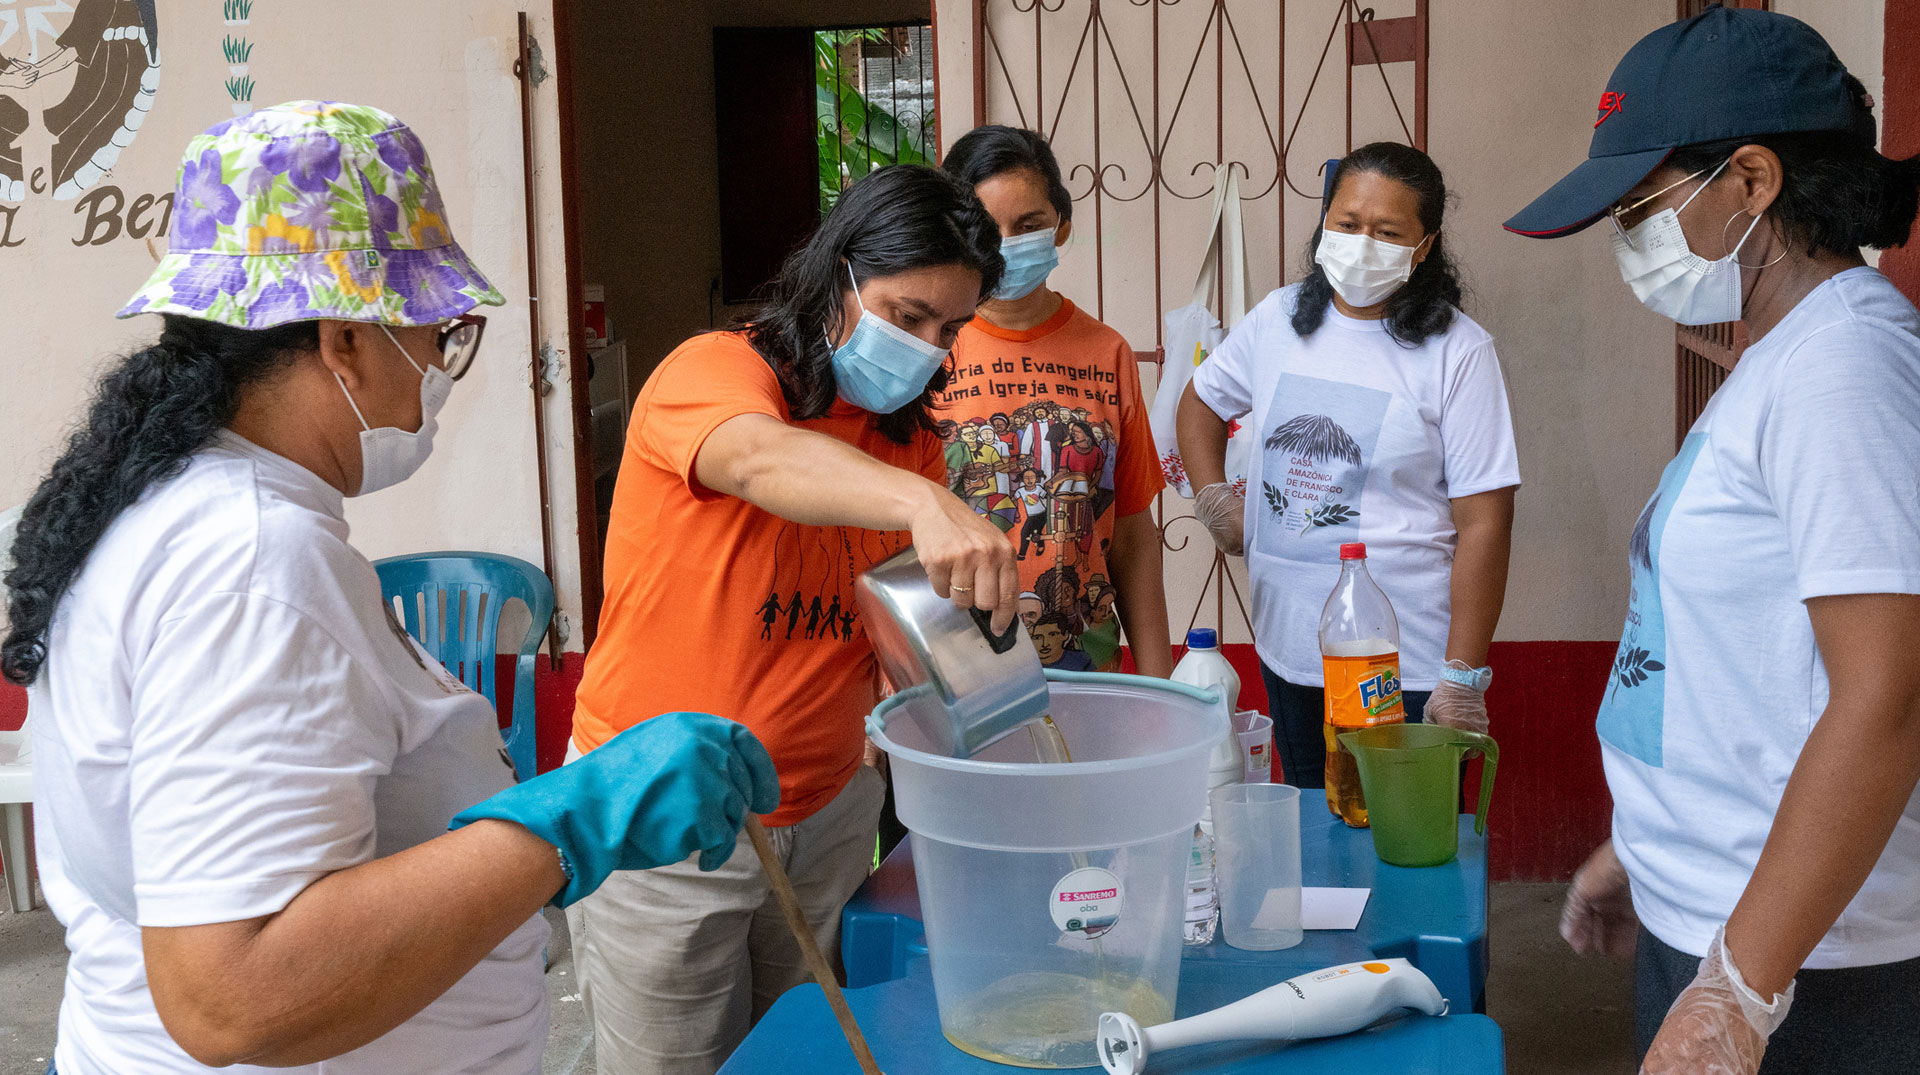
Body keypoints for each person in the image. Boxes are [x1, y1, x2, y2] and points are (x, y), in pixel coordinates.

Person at [0, 102, 776, 1075]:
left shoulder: (163, 506)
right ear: (345, 340)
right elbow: (228, 995)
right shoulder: (251, 561)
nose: (443, 370)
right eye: (439, 334)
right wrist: (570, 821)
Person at [1506, 9, 1920, 1073]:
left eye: (1641, 206)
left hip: (1811, 967)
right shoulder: (1781, 360)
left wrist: (1738, 992)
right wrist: (1646, 847)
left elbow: (1888, 696)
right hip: (1727, 913)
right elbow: (1742, 660)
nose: (1627, 239)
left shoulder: (1842, 372)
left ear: (1751, 181)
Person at [564, 163, 1014, 1075]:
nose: (927, 348)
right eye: (907, 314)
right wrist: (924, 504)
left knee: (804, 1056)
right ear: (837, 273)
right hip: (664, 820)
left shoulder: (907, 439)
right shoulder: (716, 371)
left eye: (949, 329)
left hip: (828, 818)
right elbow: (759, 460)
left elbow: (895, 618)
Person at [1176, 141, 1520, 786]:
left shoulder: (1459, 351)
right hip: (1289, 644)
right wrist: (1214, 497)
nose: (1362, 244)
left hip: (1403, 661)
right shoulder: (1278, 319)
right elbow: (1199, 402)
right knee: (1316, 820)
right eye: (1348, 223)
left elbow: (1485, 523)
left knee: (1401, 831)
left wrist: (1462, 676)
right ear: (1324, 225)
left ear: (1424, 246)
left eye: (1388, 232)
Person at [940, 124, 1172, 676]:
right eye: (986, 228)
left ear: (1061, 225)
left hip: (1085, 669)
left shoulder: (1106, 352)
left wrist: (1162, 686)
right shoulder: (927, 347)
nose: (1005, 244)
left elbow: (1132, 536)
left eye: (1028, 225)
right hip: (954, 674)